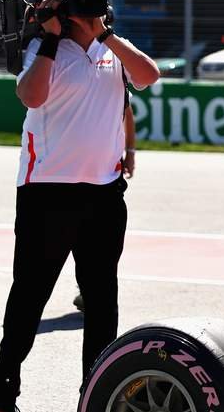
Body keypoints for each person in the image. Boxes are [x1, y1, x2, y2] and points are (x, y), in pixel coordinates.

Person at [0, 0, 160, 412]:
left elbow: (147, 76)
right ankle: (3, 389)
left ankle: (96, 392)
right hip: (47, 191)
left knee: (102, 300)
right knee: (30, 293)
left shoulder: (111, 48)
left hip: (104, 193)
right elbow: (32, 96)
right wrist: (47, 34)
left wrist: (100, 32)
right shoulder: (43, 49)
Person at [72, 104, 136, 313]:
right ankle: (86, 289)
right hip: (69, 171)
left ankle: (89, 291)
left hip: (107, 175)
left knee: (99, 248)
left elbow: (127, 113)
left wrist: (131, 151)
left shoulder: (115, 79)